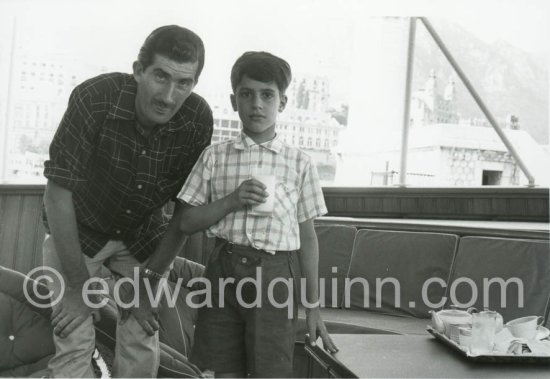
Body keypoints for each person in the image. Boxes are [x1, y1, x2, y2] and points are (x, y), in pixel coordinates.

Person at [42, 25, 213, 378]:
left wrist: (149, 287)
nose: (168, 96)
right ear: (138, 71)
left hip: (142, 235)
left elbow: (183, 212)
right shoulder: (93, 98)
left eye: (183, 83)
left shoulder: (197, 119)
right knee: (73, 335)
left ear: (194, 84)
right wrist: (76, 289)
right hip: (78, 231)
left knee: (141, 332)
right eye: (160, 76)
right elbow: (57, 195)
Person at [177, 51, 338, 378]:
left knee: (271, 372)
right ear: (234, 101)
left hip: (276, 275)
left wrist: (313, 307)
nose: (257, 104)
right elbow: (186, 222)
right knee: (220, 370)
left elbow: (308, 238)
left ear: (282, 103)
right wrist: (231, 201)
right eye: (246, 94)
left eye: (267, 95)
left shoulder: (299, 163)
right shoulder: (215, 157)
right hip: (223, 270)